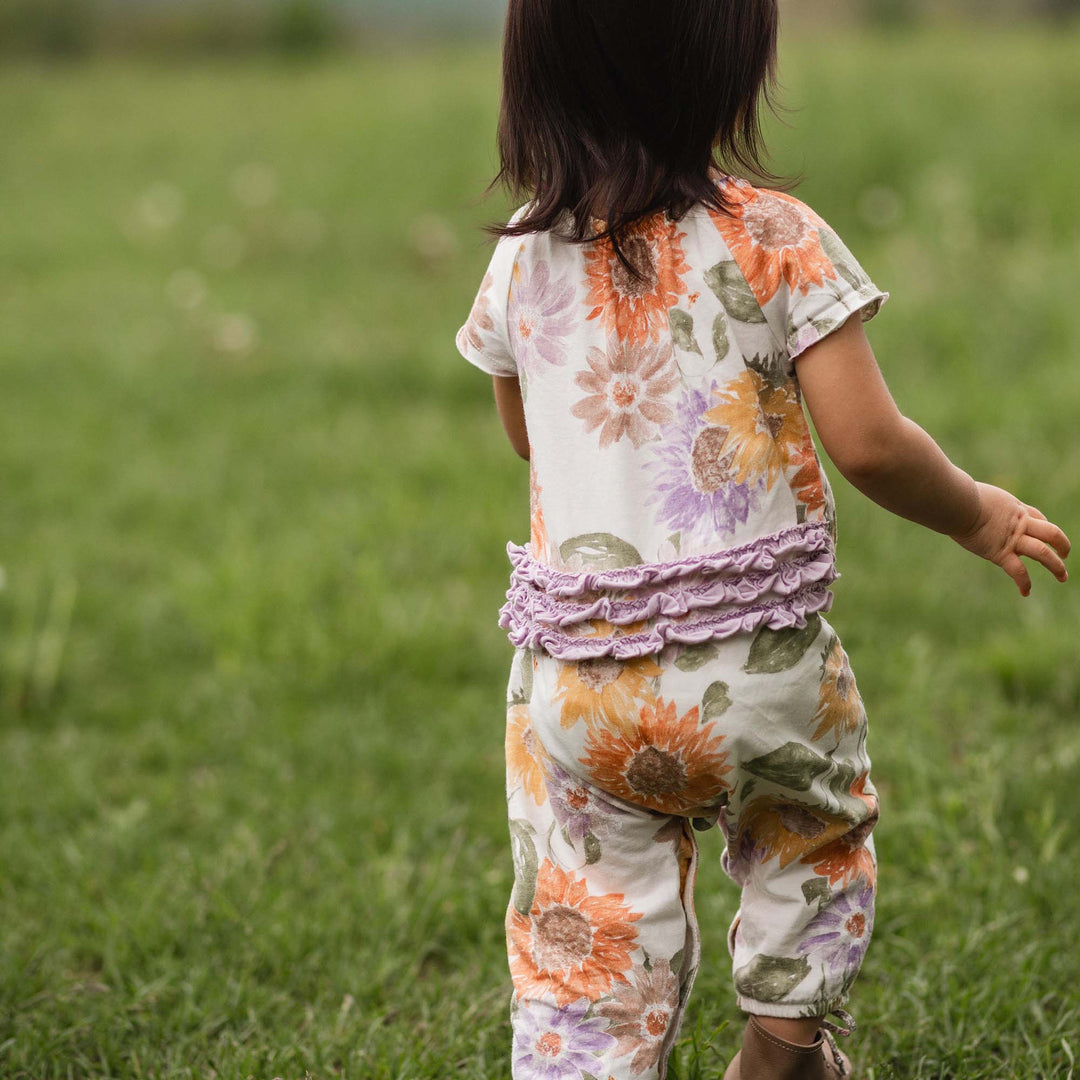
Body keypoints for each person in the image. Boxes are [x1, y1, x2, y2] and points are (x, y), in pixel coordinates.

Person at [454, 3, 1071, 1078]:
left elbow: (526, 435)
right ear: (727, 62)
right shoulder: (775, 236)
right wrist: (975, 511)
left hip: (579, 686)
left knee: (587, 923)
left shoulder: (522, 260)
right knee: (812, 841)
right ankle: (781, 1052)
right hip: (758, 671)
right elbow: (869, 444)